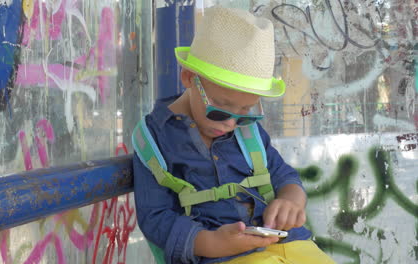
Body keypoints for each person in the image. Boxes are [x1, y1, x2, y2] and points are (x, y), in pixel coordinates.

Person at [132, 6, 336, 264]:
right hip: (223, 256)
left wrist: (291, 199)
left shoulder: (247, 131)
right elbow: (155, 217)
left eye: (245, 111)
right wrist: (211, 243)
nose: (231, 123)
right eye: (220, 109)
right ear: (189, 78)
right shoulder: (153, 139)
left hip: (289, 243)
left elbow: (283, 174)